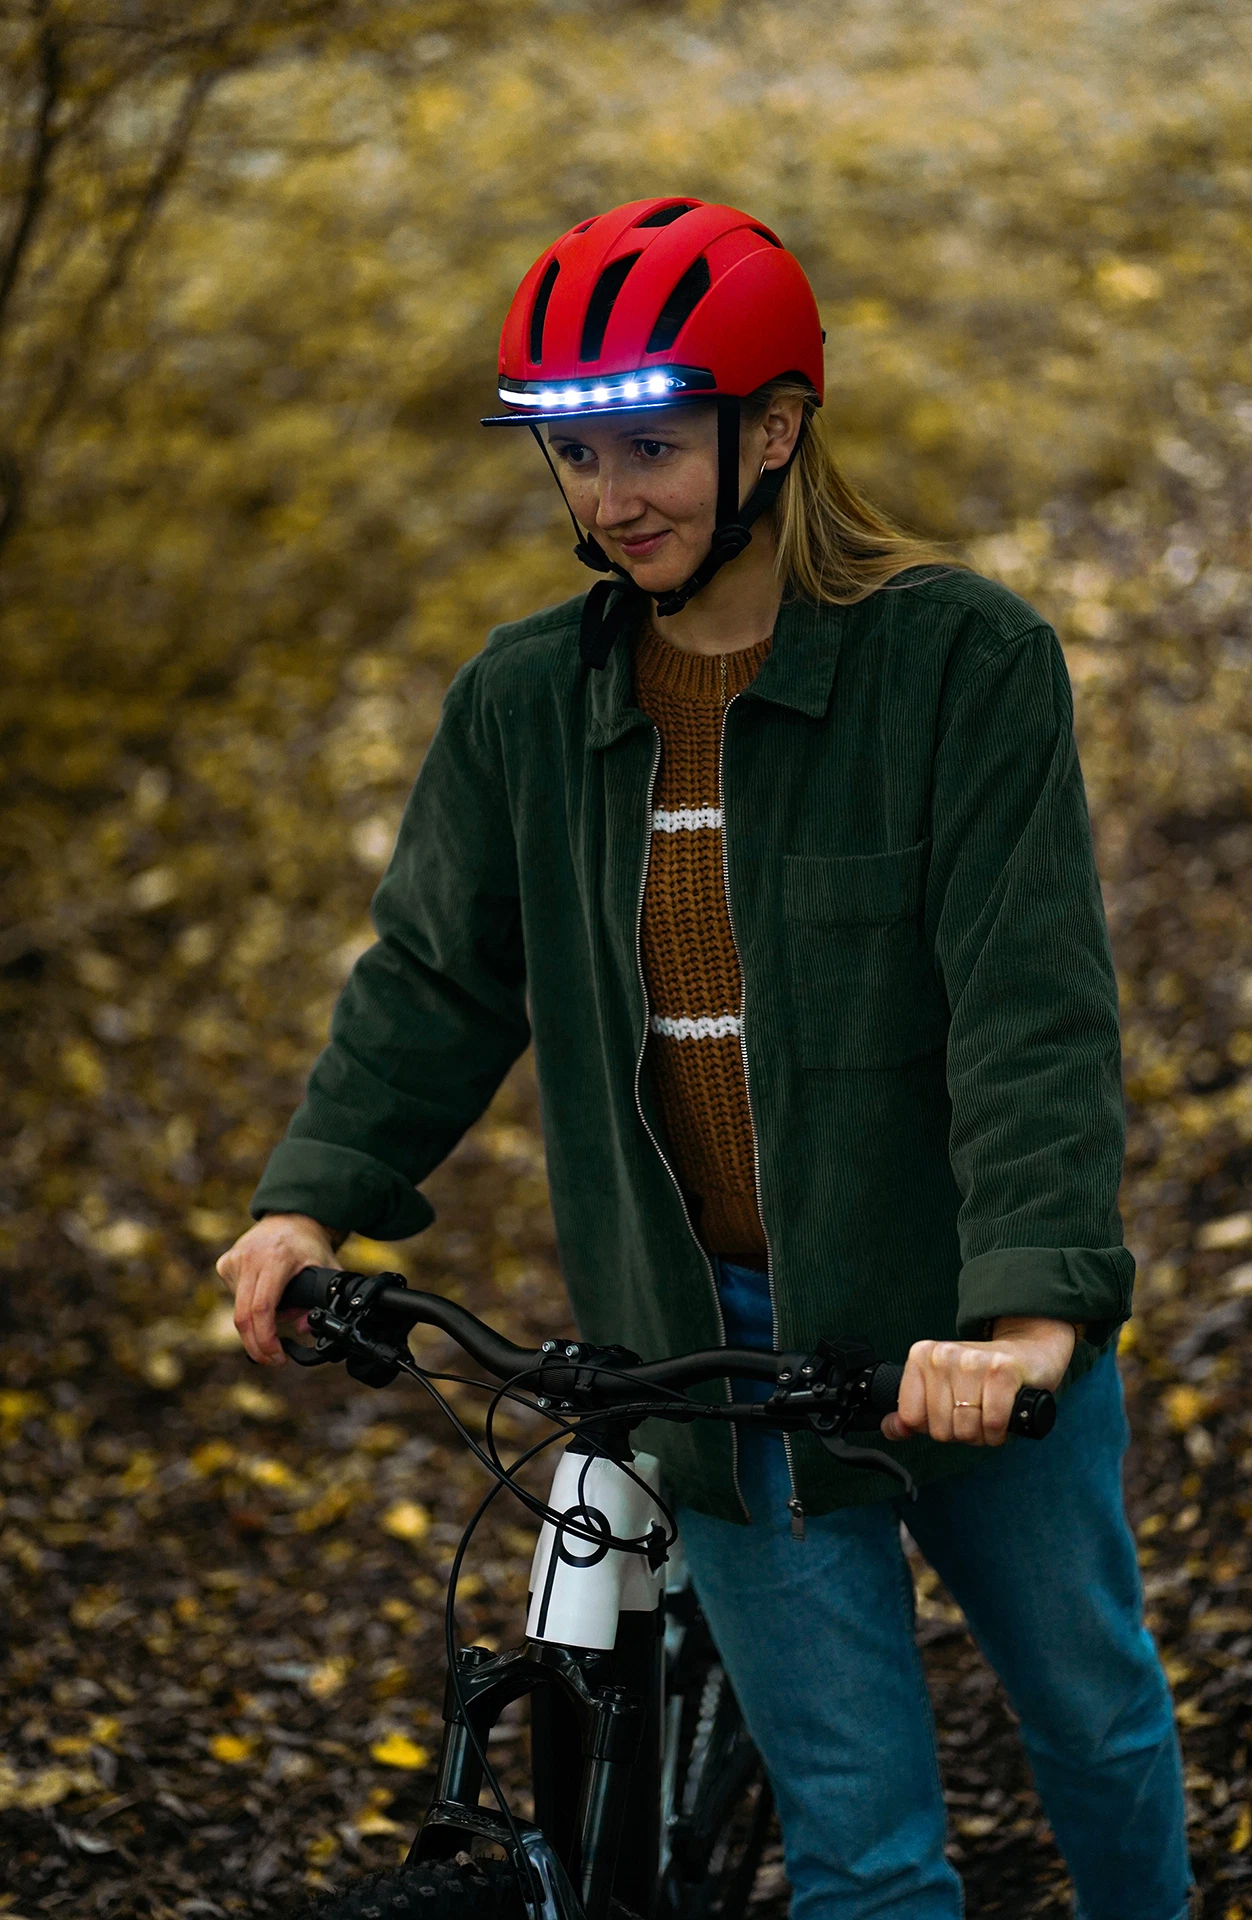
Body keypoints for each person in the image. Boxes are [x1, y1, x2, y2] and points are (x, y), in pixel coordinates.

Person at [218, 197, 1191, 1918]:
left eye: (652, 444)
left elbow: (1033, 1011)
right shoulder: (525, 702)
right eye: (578, 458)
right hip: (716, 1357)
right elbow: (436, 984)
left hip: (964, 1323)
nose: (612, 499)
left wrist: (1030, 1315)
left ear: (779, 427)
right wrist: (309, 1205)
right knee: (861, 1845)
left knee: (1092, 1724)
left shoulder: (962, 666)